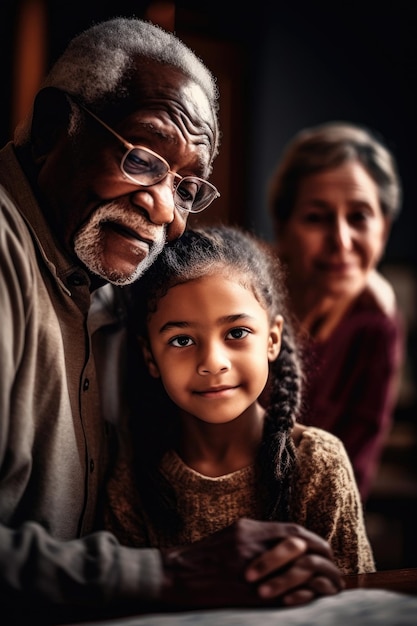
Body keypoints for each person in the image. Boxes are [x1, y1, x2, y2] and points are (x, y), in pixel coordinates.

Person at [0, 16, 344, 625]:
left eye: (187, 187)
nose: (169, 213)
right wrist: (170, 573)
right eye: (141, 158)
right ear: (58, 127)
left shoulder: (111, 280)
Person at [104, 225, 375, 576]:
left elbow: (356, 604)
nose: (213, 362)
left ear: (272, 339)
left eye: (236, 333)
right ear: (150, 356)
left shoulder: (318, 465)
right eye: (183, 340)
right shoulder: (134, 478)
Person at [267, 121, 404, 502]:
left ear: (384, 228)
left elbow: (353, 474)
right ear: (282, 227)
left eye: (359, 216)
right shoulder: (241, 301)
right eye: (316, 217)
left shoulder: (376, 324)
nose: (341, 241)